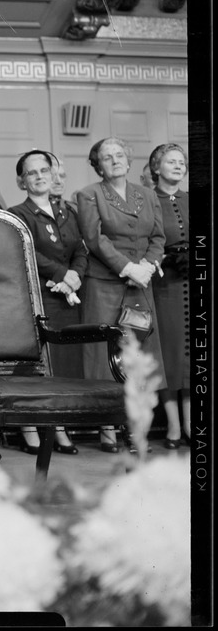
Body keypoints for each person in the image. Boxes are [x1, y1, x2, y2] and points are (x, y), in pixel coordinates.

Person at [76, 137, 166, 453]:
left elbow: (159, 237)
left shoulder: (147, 194)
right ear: (97, 164)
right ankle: (107, 430)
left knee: (138, 356)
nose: (114, 160)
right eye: (106, 157)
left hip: (142, 285)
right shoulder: (88, 194)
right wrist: (128, 267)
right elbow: (95, 239)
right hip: (105, 286)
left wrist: (148, 266)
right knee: (105, 358)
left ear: (128, 161)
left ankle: (136, 428)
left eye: (119, 155)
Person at [9, 150, 87, 455]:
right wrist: (61, 273)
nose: (40, 176)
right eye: (32, 173)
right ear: (21, 180)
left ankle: (59, 427)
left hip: (68, 298)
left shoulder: (68, 211)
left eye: (44, 170)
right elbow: (26, 250)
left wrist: (76, 275)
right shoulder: (18, 213)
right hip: (38, 297)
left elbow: (81, 249)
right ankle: (29, 429)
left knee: (64, 365)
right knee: (36, 364)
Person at [147, 143, 190, 447]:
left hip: (195, 282)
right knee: (171, 355)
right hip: (166, 287)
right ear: (156, 167)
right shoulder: (149, 200)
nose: (178, 166)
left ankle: (191, 425)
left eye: (181, 162)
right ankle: (173, 426)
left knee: (193, 355)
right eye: (171, 161)